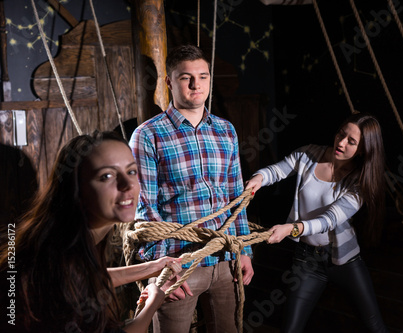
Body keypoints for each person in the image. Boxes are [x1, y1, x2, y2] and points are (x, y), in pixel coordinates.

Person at [0, 131, 186, 333]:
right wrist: (152, 303)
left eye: (132, 171)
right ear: (77, 189)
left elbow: (87, 278)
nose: (128, 185)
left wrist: (153, 267)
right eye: (107, 176)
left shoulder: (66, 239)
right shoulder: (56, 255)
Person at [129, 44, 254, 333]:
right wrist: (160, 270)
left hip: (226, 260)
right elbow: (145, 207)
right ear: (169, 82)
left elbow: (237, 196)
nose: (196, 84)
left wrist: (244, 250)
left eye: (203, 76)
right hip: (178, 263)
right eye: (186, 77)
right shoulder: (148, 135)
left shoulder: (226, 130)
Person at [246, 113, 388, 332]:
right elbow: (278, 170)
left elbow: (329, 219)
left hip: (346, 261)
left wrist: (292, 228)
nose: (341, 143)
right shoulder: (308, 154)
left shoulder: (360, 182)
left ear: (363, 149)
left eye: (351, 142)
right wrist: (258, 179)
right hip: (307, 261)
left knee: (375, 327)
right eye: (342, 134)